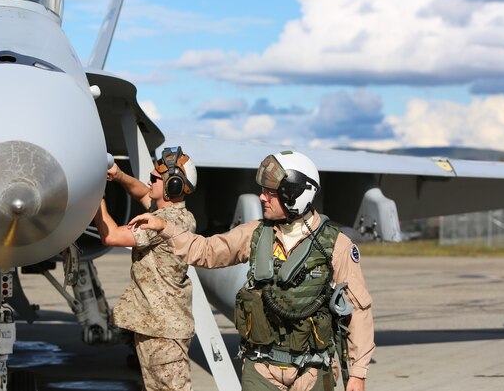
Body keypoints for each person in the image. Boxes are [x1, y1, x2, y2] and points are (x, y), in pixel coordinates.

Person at [129, 151, 375, 391]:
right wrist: (166, 228)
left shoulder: (336, 245)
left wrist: (357, 373)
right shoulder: (255, 233)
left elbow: (358, 310)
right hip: (261, 369)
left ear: (294, 195)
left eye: (270, 192)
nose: (261, 197)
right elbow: (206, 250)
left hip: (313, 370)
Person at [93, 146, 198, 391]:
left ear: (171, 186)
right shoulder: (170, 211)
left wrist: (96, 195)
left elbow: (112, 237)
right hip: (155, 326)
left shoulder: (166, 223)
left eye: (153, 179)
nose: (148, 182)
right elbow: (142, 192)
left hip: (164, 331)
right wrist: (118, 175)